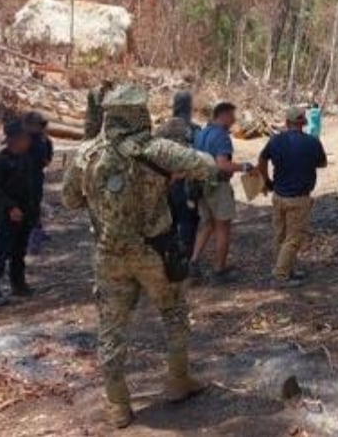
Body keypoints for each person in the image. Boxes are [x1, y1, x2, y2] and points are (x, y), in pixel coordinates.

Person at [61, 84, 217, 428]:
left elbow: (69, 200)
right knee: (174, 311)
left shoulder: (86, 154)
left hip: (108, 254)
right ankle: (178, 381)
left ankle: (117, 405)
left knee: (111, 328)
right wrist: (172, 172)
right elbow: (206, 166)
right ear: (140, 113)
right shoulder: (157, 149)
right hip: (154, 252)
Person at [257, 107, 328, 288]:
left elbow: (262, 159)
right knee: (294, 238)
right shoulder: (312, 142)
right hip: (299, 198)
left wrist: (265, 180)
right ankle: (281, 274)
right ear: (303, 123)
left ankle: (285, 267)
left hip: (278, 195)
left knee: (280, 235)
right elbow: (323, 163)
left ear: (287, 123)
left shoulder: (275, 141)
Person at [190, 102, 253, 281]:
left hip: (200, 184)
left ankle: (193, 262)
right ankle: (219, 270)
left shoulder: (201, 133)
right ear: (223, 115)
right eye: (232, 116)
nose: (234, 120)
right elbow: (222, 165)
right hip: (217, 186)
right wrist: (244, 166)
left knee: (207, 224)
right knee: (222, 227)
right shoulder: (221, 136)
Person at [0, 120, 38, 306]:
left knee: (18, 252)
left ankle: (18, 284)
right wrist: (10, 207)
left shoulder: (26, 158)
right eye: (25, 138)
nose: (28, 141)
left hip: (24, 213)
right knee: (0, 253)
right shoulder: (0, 161)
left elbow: (30, 187)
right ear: (15, 140)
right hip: (4, 215)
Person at [154, 91, 203, 254]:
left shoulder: (161, 129)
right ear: (189, 107)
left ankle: (170, 254)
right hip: (188, 182)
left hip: (166, 181)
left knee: (169, 219)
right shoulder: (195, 129)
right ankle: (187, 256)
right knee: (189, 219)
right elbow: (200, 155)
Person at [23, 111, 54, 253]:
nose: (42, 127)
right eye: (39, 124)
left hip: (37, 176)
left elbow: (47, 158)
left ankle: (38, 230)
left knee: (36, 203)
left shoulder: (43, 139)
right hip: (24, 177)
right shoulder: (23, 139)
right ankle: (31, 238)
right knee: (28, 205)